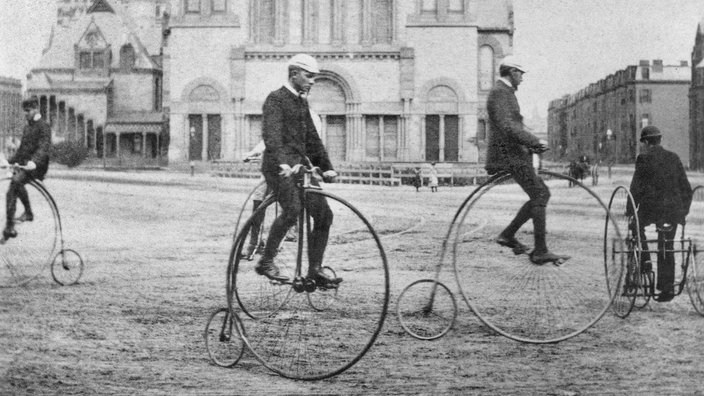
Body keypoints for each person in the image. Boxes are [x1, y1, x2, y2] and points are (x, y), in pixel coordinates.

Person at [256, 53, 341, 286]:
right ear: (294, 74)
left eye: (314, 77)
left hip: (299, 170)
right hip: (277, 167)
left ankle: (315, 269)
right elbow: (271, 137)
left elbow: (312, 139)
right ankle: (266, 260)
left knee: (324, 215)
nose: (312, 81)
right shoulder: (275, 99)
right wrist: (284, 162)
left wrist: (326, 168)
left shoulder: (301, 102)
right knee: (292, 209)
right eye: (308, 76)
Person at [485, 56, 568, 264]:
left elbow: (512, 126)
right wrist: (534, 142)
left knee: (540, 194)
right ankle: (539, 249)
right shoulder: (500, 93)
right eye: (520, 74)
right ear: (512, 72)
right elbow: (508, 126)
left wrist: (531, 143)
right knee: (540, 194)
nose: (522, 78)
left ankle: (509, 234)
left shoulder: (504, 93)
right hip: (510, 155)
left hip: (514, 153)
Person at [628, 125, 692, 302]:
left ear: (647, 142)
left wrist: (630, 210)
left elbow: (635, 188)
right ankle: (667, 289)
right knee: (666, 245)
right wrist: (683, 211)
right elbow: (686, 188)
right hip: (672, 211)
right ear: (660, 140)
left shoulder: (643, 159)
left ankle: (645, 260)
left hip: (651, 209)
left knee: (636, 226)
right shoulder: (674, 157)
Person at [1, 96, 51, 242]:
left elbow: (44, 148)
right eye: (24, 111)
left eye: (28, 110)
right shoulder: (28, 127)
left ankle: (27, 214)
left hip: (38, 166)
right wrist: (8, 161)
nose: (25, 114)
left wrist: (34, 162)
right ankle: (10, 226)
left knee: (17, 181)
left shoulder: (43, 126)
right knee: (12, 188)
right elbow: (22, 150)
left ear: (36, 109)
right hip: (26, 165)